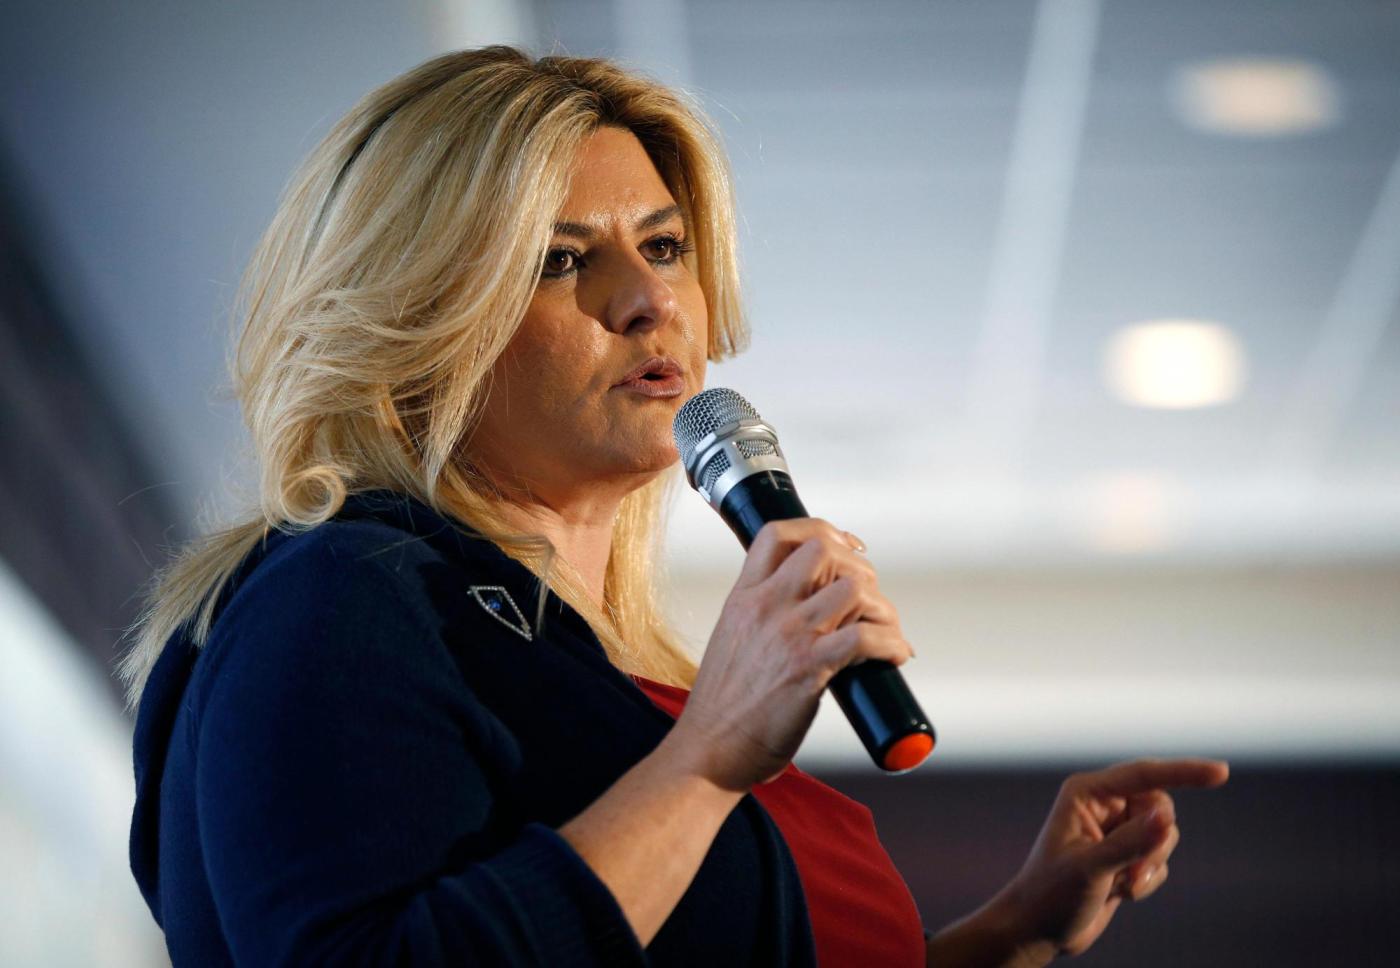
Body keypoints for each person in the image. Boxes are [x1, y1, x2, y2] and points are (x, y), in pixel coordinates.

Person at [118, 45, 1230, 966]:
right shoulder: (339, 594)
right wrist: (703, 761)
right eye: (560, 260)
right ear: (417, 320)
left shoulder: (603, 674)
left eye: (663, 246)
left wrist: (1012, 930)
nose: (650, 298)